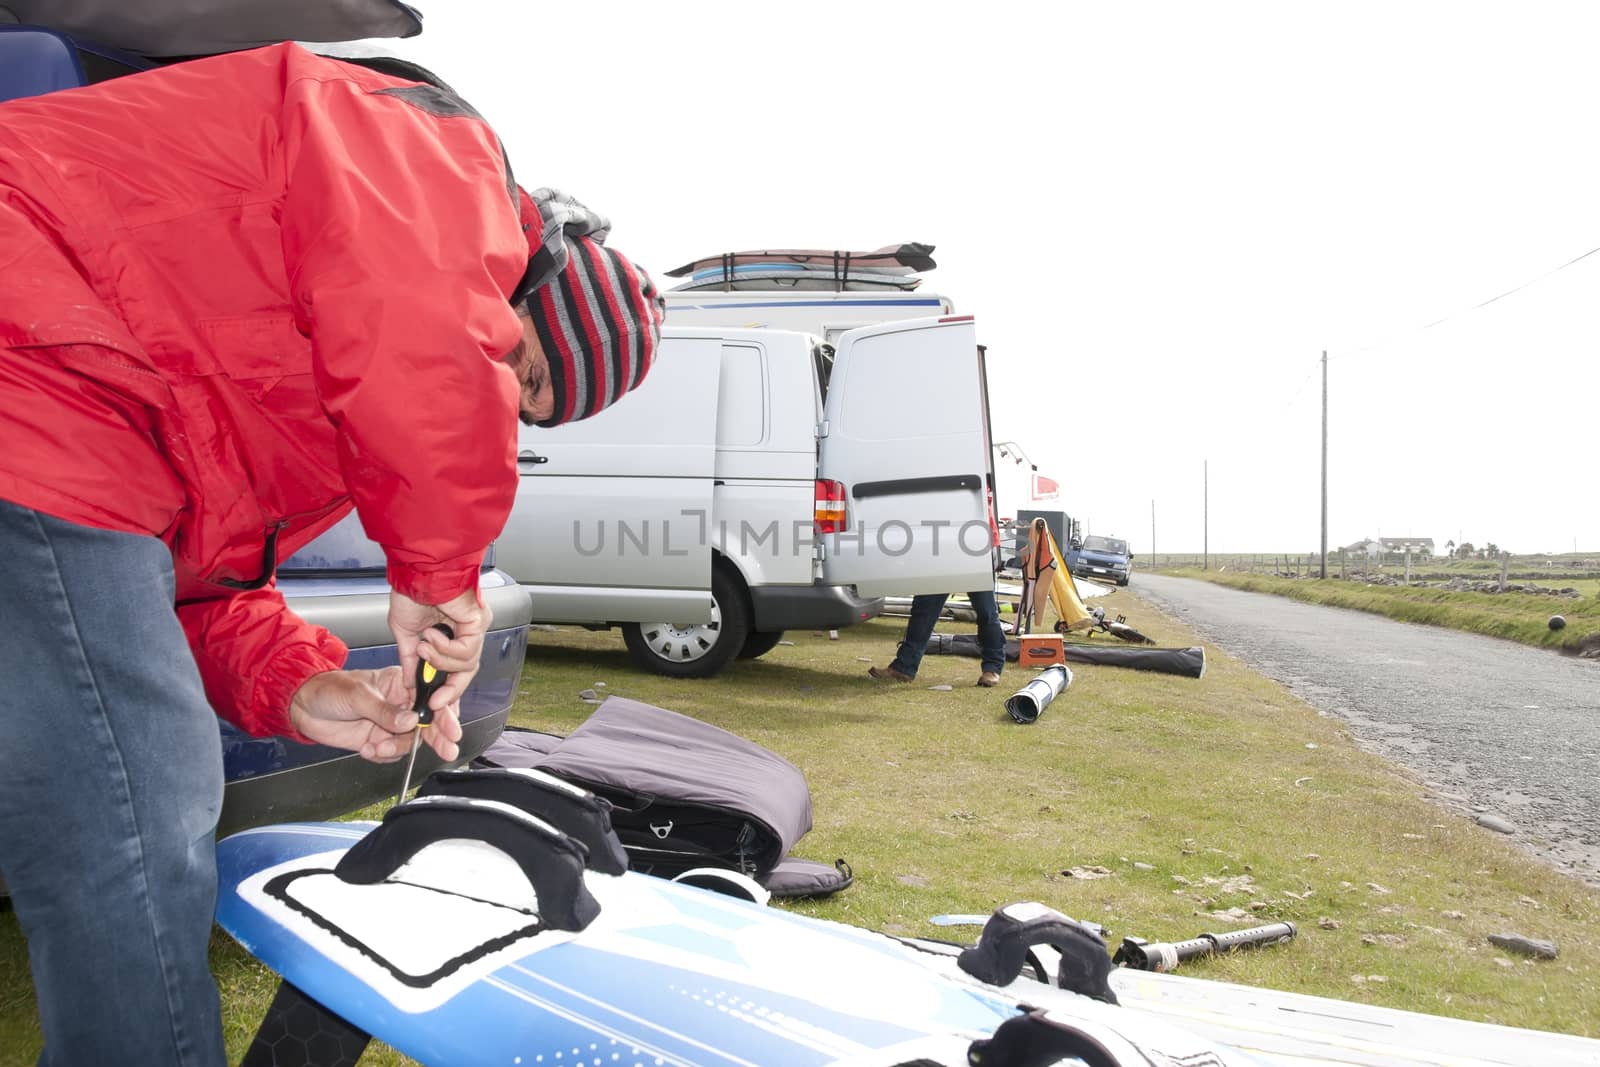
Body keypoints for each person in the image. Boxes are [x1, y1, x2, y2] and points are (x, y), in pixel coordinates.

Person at [0, 44, 662, 1066]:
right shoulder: (425, 144)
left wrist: (303, 686)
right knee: (137, 802)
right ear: (527, 274)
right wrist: (442, 574)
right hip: (33, 353)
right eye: (515, 366)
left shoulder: (314, 407)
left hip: (62, 414)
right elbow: (430, 335)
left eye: (530, 408)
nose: (497, 395)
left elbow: (196, 571)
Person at [868, 589, 1007, 687]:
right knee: (924, 610)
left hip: (974, 558)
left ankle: (992, 669)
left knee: (986, 612)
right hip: (942, 557)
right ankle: (903, 668)